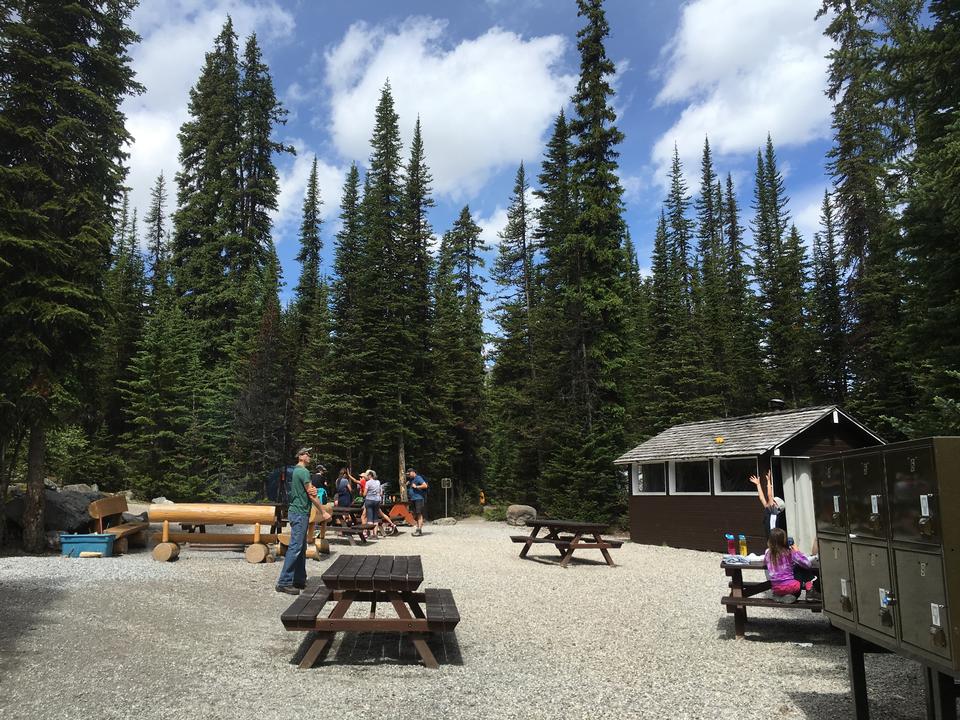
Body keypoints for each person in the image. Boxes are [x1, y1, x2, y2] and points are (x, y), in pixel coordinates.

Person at [276, 447, 326, 595]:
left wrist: (313, 489)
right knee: (296, 547)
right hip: (299, 513)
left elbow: (309, 490)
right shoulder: (303, 472)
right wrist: (323, 511)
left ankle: (299, 579)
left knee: (301, 547)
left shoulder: (295, 471)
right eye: (307, 454)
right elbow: (311, 494)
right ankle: (284, 582)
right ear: (301, 456)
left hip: (297, 512)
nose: (310, 456)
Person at [764, 527, 819, 602]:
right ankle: (808, 591)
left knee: (796, 568)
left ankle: (779, 596)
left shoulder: (768, 553)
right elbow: (807, 564)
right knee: (800, 567)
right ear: (784, 540)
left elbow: (765, 561)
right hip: (791, 587)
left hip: (775, 587)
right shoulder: (789, 553)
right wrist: (797, 551)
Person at [749, 469, 787, 539]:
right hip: (770, 537)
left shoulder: (774, 512)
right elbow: (761, 498)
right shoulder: (769, 510)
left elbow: (769, 495)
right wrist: (758, 484)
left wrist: (768, 481)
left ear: (777, 506)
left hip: (774, 537)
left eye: (773, 501)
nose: (771, 500)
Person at [405, 467, 428, 537]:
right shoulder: (411, 479)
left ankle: (419, 530)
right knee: (415, 514)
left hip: (419, 499)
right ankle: (418, 529)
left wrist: (416, 486)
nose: (408, 475)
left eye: (409, 474)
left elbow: (425, 485)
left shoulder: (418, 478)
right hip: (413, 499)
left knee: (419, 513)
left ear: (413, 472)